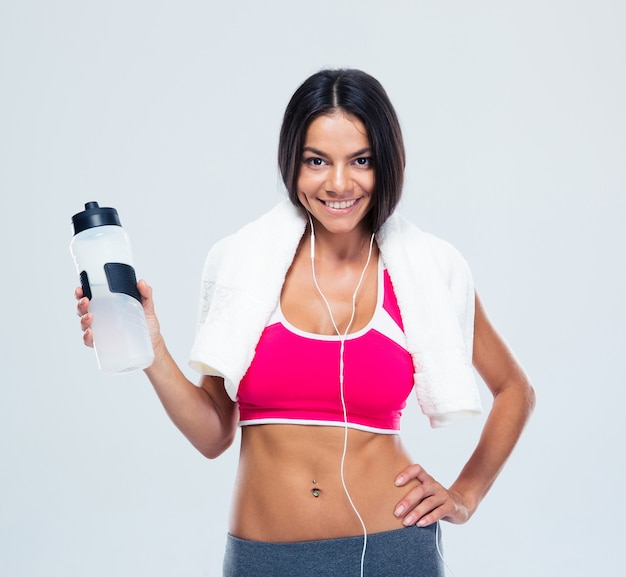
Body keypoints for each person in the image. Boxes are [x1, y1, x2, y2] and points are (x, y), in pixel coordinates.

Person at [76, 68, 535, 577]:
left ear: (387, 163)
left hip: (390, 550)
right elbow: (213, 436)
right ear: (292, 164)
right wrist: (151, 347)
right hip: (263, 557)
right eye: (317, 161)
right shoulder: (243, 266)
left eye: (360, 160)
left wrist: (464, 497)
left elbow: (515, 389)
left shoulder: (426, 270)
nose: (339, 183)